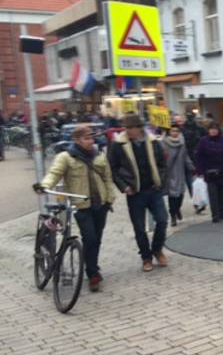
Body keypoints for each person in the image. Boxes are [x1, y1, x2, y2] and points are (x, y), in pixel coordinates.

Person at [34, 124, 114, 292]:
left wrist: (110, 199)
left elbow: (107, 178)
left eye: (92, 138)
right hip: (80, 205)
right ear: (76, 140)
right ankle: (93, 274)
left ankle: (92, 268)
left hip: (101, 204)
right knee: (90, 238)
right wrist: (44, 185)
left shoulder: (99, 155)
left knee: (96, 239)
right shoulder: (66, 157)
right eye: (86, 138)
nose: (90, 141)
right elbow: (54, 173)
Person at [109, 114, 169, 272]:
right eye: (125, 128)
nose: (127, 131)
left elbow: (163, 163)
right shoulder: (118, 145)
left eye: (130, 128)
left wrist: (160, 181)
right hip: (134, 192)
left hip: (153, 189)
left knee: (162, 220)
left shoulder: (153, 142)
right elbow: (113, 169)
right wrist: (124, 186)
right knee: (139, 228)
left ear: (140, 128)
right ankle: (146, 257)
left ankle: (157, 249)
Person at [161, 124, 194, 227]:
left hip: (180, 172)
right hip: (169, 173)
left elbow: (185, 157)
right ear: (169, 132)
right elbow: (160, 158)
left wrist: (192, 167)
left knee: (180, 194)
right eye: (172, 131)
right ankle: (173, 215)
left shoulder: (182, 144)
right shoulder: (163, 143)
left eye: (176, 131)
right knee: (172, 195)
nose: (174, 133)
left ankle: (177, 209)